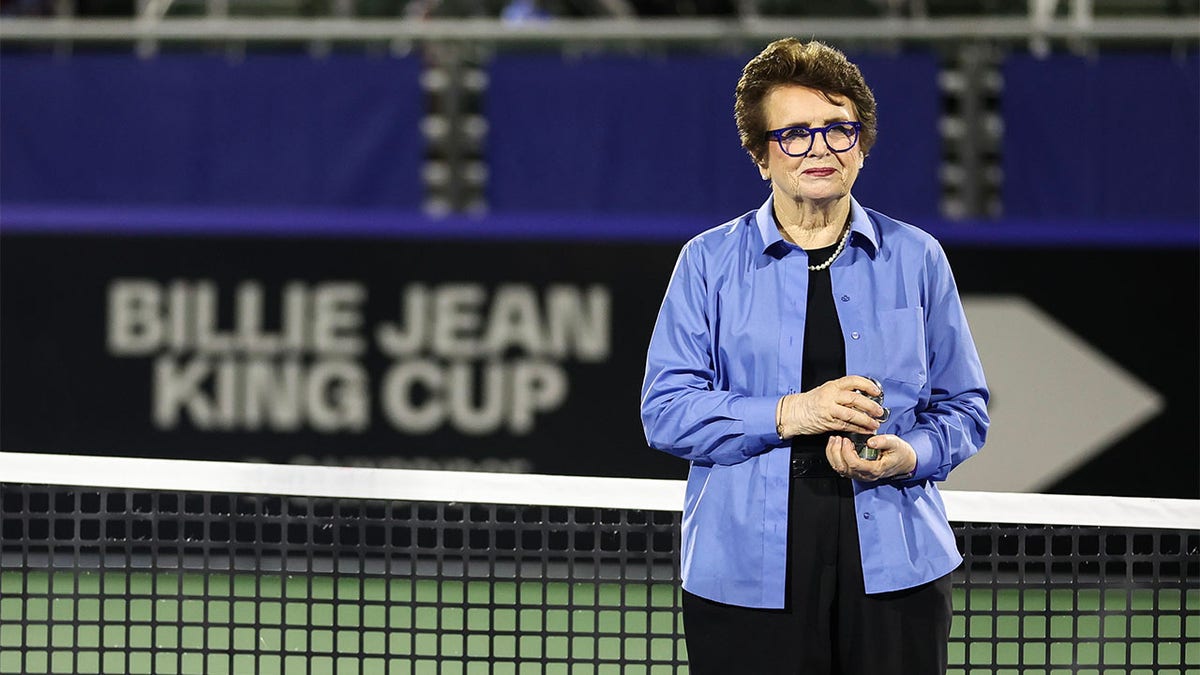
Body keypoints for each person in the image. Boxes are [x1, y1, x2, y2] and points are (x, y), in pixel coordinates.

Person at [639, 38, 989, 674]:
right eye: (795, 134)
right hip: (745, 572)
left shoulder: (918, 258)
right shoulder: (707, 263)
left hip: (897, 568)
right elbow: (666, 412)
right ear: (760, 155)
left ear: (861, 146)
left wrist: (915, 455)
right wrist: (794, 413)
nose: (821, 148)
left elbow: (965, 409)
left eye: (839, 129)